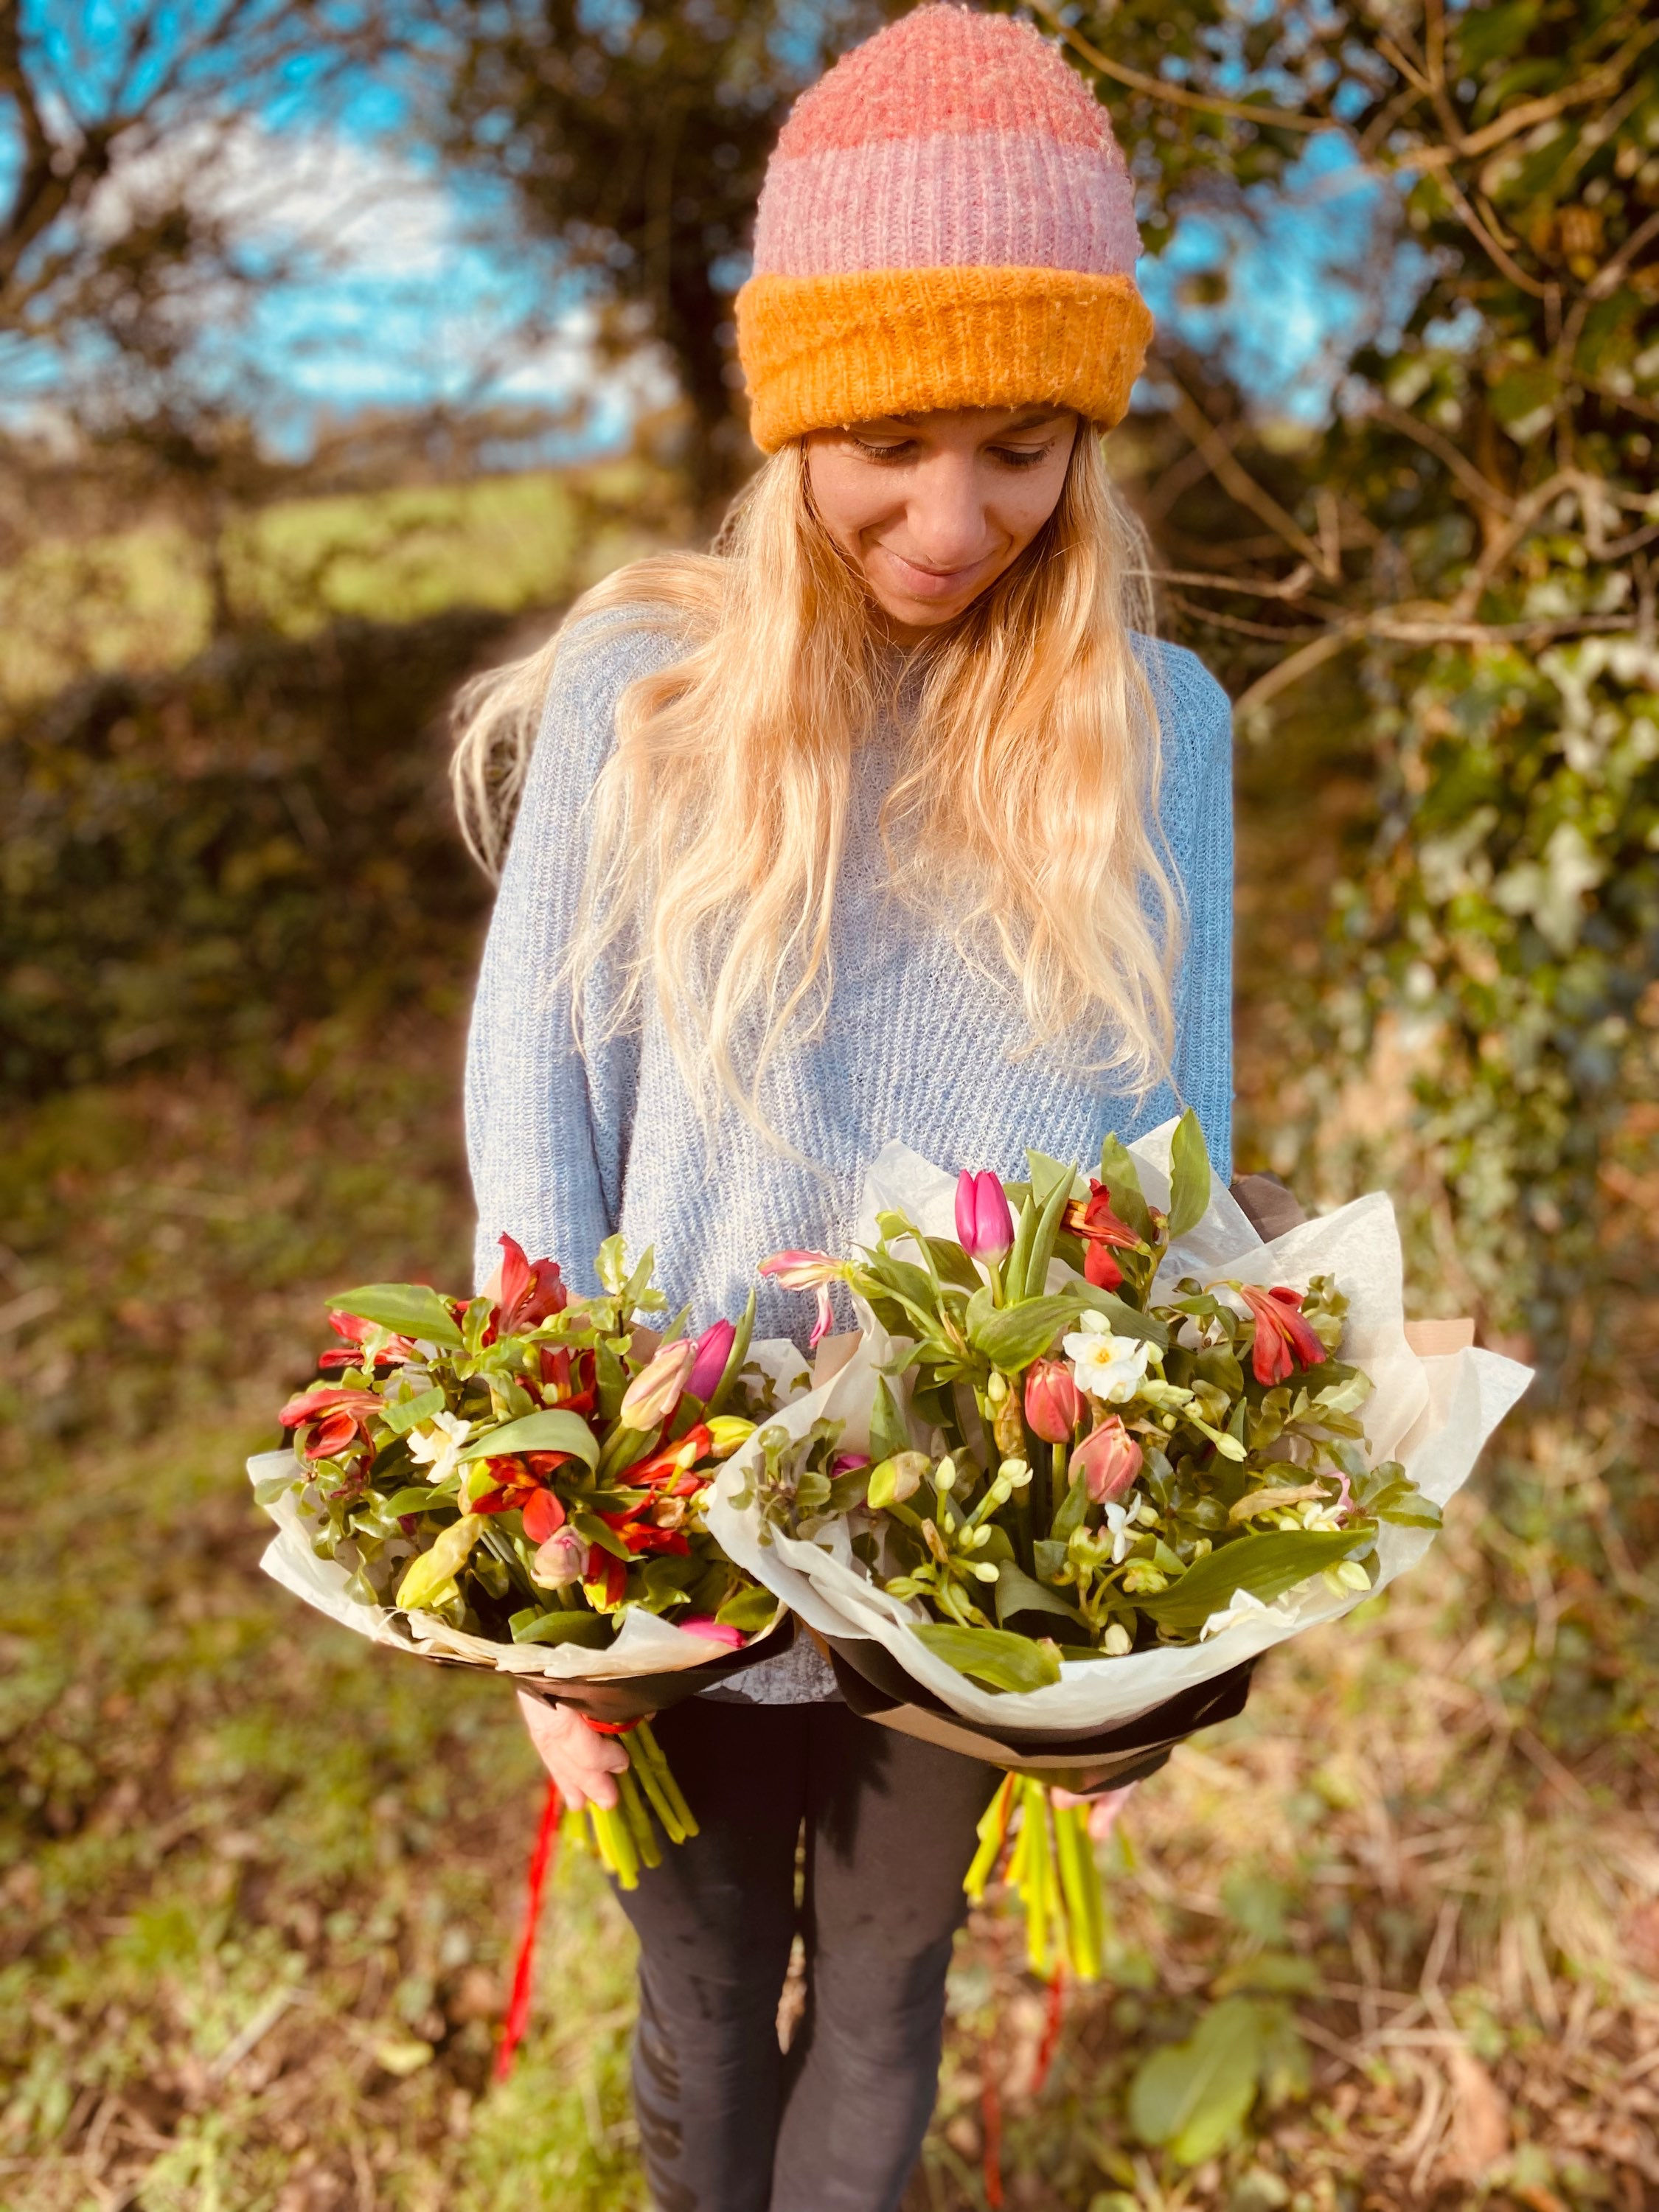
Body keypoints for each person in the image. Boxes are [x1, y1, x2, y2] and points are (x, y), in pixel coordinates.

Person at [453, 8, 1232, 2205]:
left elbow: (1177, 1181)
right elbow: (540, 1156)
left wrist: (1133, 1628)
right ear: (792, 410)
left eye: (1023, 441)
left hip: (962, 1571)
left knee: (887, 2004)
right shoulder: (647, 706)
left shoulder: (1153, 729)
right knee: (702, 2017)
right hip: (675, 1544)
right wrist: (540, 1581)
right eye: (890, 436)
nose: (956, 516)